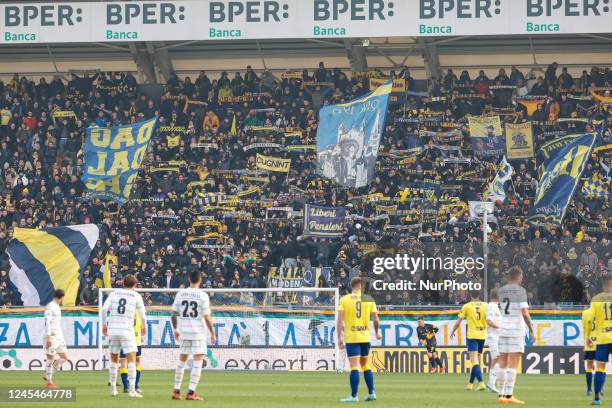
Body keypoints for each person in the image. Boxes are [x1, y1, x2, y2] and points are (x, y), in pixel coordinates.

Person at [171, 271, 215, 401]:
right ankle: (191, 393)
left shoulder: (181, 293)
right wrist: (212, 333)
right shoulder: (203, 295)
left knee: (181, 362)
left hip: (184, 332)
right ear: (200, 280)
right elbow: (207, 317)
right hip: (198, 333)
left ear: (189, 279)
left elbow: (173, 314)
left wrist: (175, 329)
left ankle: (176, 390)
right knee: (197, 362)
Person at [336, 277, 381, 403]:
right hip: (365, 337)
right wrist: (377, 332)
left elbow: (339, 321)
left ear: (351, 286)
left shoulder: (344, 299)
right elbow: (376, 319)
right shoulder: (369, 299)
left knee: (354, 366)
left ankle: (354, 396)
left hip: (352, 337)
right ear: (361, 286)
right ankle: (371, 393)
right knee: (365, 364)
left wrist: (339, 338)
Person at [102, 275, 147, 398]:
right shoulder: (136, 296)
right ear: (135, 285)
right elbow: (143, 315)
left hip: (113, 330)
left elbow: (104, 310)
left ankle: (113, 389)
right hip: (127, 330)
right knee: (132, 359)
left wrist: (104, 325)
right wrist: (144, 327)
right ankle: (132, 390)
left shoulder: (114, 293)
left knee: (114, 359)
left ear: (123, 283)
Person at [497, 266, 535, 405]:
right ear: (519, 277)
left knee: (502, 363)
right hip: (516, 330)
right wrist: (531, 330)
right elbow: (524, 312)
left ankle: (500, 394)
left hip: (502, 329)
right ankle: (508, 395)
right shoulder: (521, 291)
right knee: (513, 363)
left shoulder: (501, 291)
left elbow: (501, 309)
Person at [450, 290, 487, 391]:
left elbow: (458, 322)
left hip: (472, 336)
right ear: (479, 295)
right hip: (482, 335)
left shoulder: (467, 306)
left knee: (474, 361)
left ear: (470, 295)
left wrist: (453, 331)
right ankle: (470, 384)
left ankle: (481, 383)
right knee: (476, 362)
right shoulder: (486, 305)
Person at [587, 274, 612, 406]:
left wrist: (589, 336)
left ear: (603, 284)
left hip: (602, 337)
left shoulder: (596, 299)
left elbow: (590, 319)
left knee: (601, 367)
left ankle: (597, 398)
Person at [43, 289, 69, 388]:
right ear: (62, 297)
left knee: (65, 357)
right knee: (50, 358)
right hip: (52, 336)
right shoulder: (50, 306)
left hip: (59, 336)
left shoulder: (57, 306)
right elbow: (47, 321)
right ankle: (49, 382)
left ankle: (48, 374)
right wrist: (49, 336)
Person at [117, 312, 143, 393]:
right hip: (136, 339)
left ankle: (126, 386)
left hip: (125, 338)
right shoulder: (138, 311)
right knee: (137, 362)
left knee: (123, 362)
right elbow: (142, 326)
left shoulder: (123, 310)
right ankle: (135, 385)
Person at [485, 289, 502, 393]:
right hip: (493, 337)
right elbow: (488, 321)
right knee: (497, 358)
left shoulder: (495, 307)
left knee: (497, 359)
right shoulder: (491, 306)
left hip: (497, 337)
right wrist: (499, 327)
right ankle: (491, 384)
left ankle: (491, 384)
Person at [582, 305, 596, 396]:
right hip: (601, 341)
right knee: (601, 366)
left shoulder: (586, 312)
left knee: (589, 366)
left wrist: (587, 339)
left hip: (590, 342)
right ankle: (600, 388)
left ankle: (589, 389)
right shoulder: (603, 312)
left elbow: (585, 328)